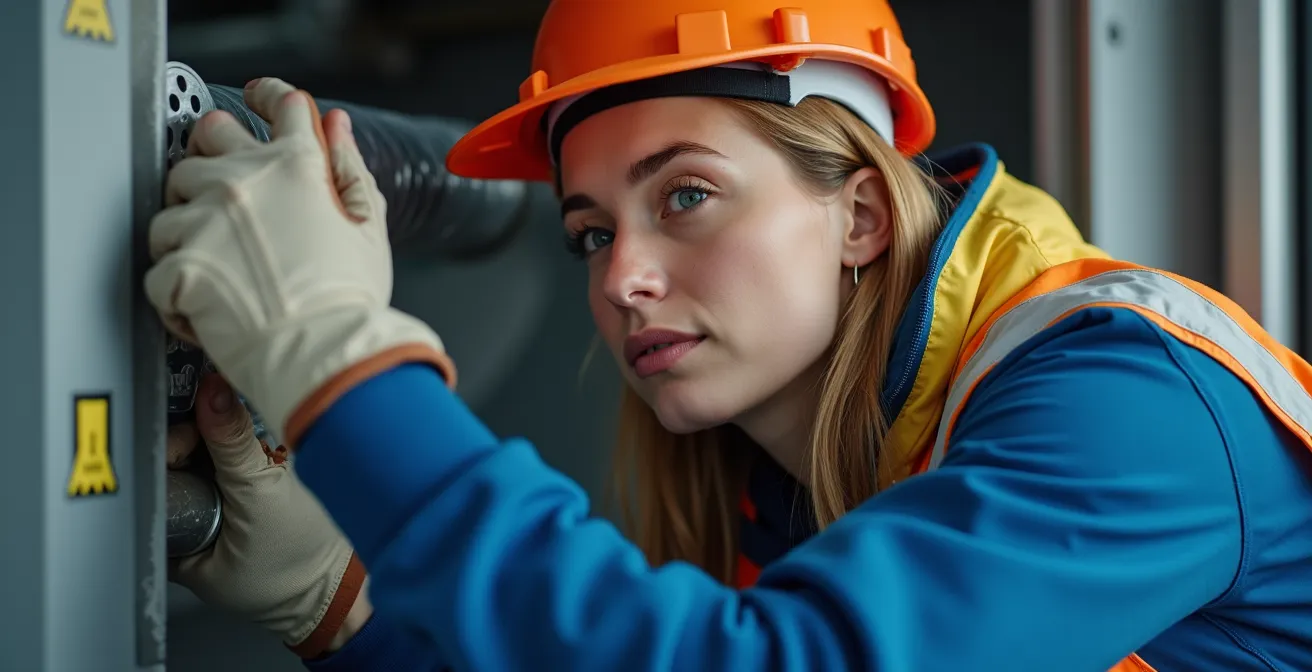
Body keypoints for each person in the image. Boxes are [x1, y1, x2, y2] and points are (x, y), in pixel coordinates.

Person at [152, 1, 1312, 670]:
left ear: (860, 213)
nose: (624, 278)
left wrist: (337, 356)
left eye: (687, 196)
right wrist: (338, 606)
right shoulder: (796, 495)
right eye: (590, 233)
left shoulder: (1130, 405)